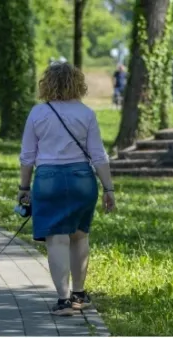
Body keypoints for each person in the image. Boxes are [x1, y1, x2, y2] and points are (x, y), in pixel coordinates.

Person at [18, 61, 116, 317]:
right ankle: (79, 295)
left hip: (48, 179)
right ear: (77, 83)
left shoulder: (38, 113)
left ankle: (63, 300)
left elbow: (27, 156)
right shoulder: (86, 113)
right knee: (80, 236)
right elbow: (99, 155)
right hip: (81, 179)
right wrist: (109, 189)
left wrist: (23, 187)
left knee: (57, 239)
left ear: (47, 84)